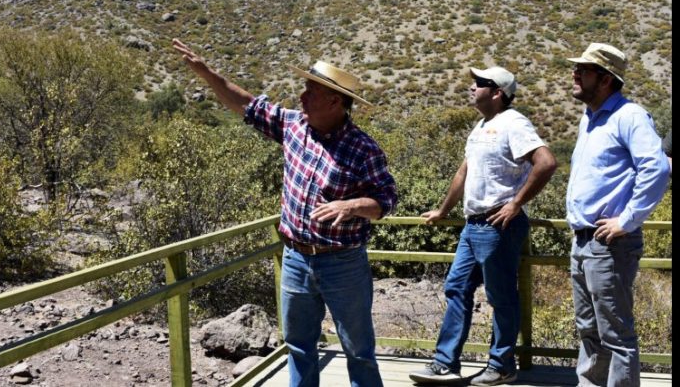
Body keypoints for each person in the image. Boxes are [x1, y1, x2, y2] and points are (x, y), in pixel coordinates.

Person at [172, 39, 397, 387]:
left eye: (310, 90)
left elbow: (387, 199)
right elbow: (246, 103)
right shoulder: (294, 126)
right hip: (295, 259)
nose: (301, 96)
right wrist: (206, 73)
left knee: (358, 351)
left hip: (343, 264)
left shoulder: (363, 149)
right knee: (299, 347)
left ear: (334, 101)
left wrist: (352, 206)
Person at [409, 66, 557, 385]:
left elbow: (546, 163)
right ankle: (445, 363)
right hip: (472, 225)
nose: (471, 87)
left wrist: (515, 204)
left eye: (479, 84)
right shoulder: (480, 126)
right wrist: (442, 209)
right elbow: (464, 172)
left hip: (498, 225)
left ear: (497, 92)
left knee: (500, 296)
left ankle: (502, 365)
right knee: (456, 288)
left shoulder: (513, 123)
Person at [565, 43, 670, 387]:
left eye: (584, 69)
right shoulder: (590, 119)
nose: (575, 73)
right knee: (588, 330)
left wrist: (626, 220)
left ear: (606, 79)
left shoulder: (629, 116)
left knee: (615, 334)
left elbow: (655, 170)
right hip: (584, 242)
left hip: (610, 244)